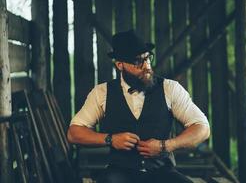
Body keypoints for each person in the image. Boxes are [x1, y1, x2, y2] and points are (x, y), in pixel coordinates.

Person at [67, 30, 210, 183]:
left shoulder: (170, 88)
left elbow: (202, 128)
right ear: (120, 65)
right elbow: (74, 133)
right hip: (119, 174)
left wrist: (165, 145)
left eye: (148, 58)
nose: (146, 66)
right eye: (137, 61)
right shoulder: (102, 93)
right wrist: (110, 139)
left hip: (161, 171)